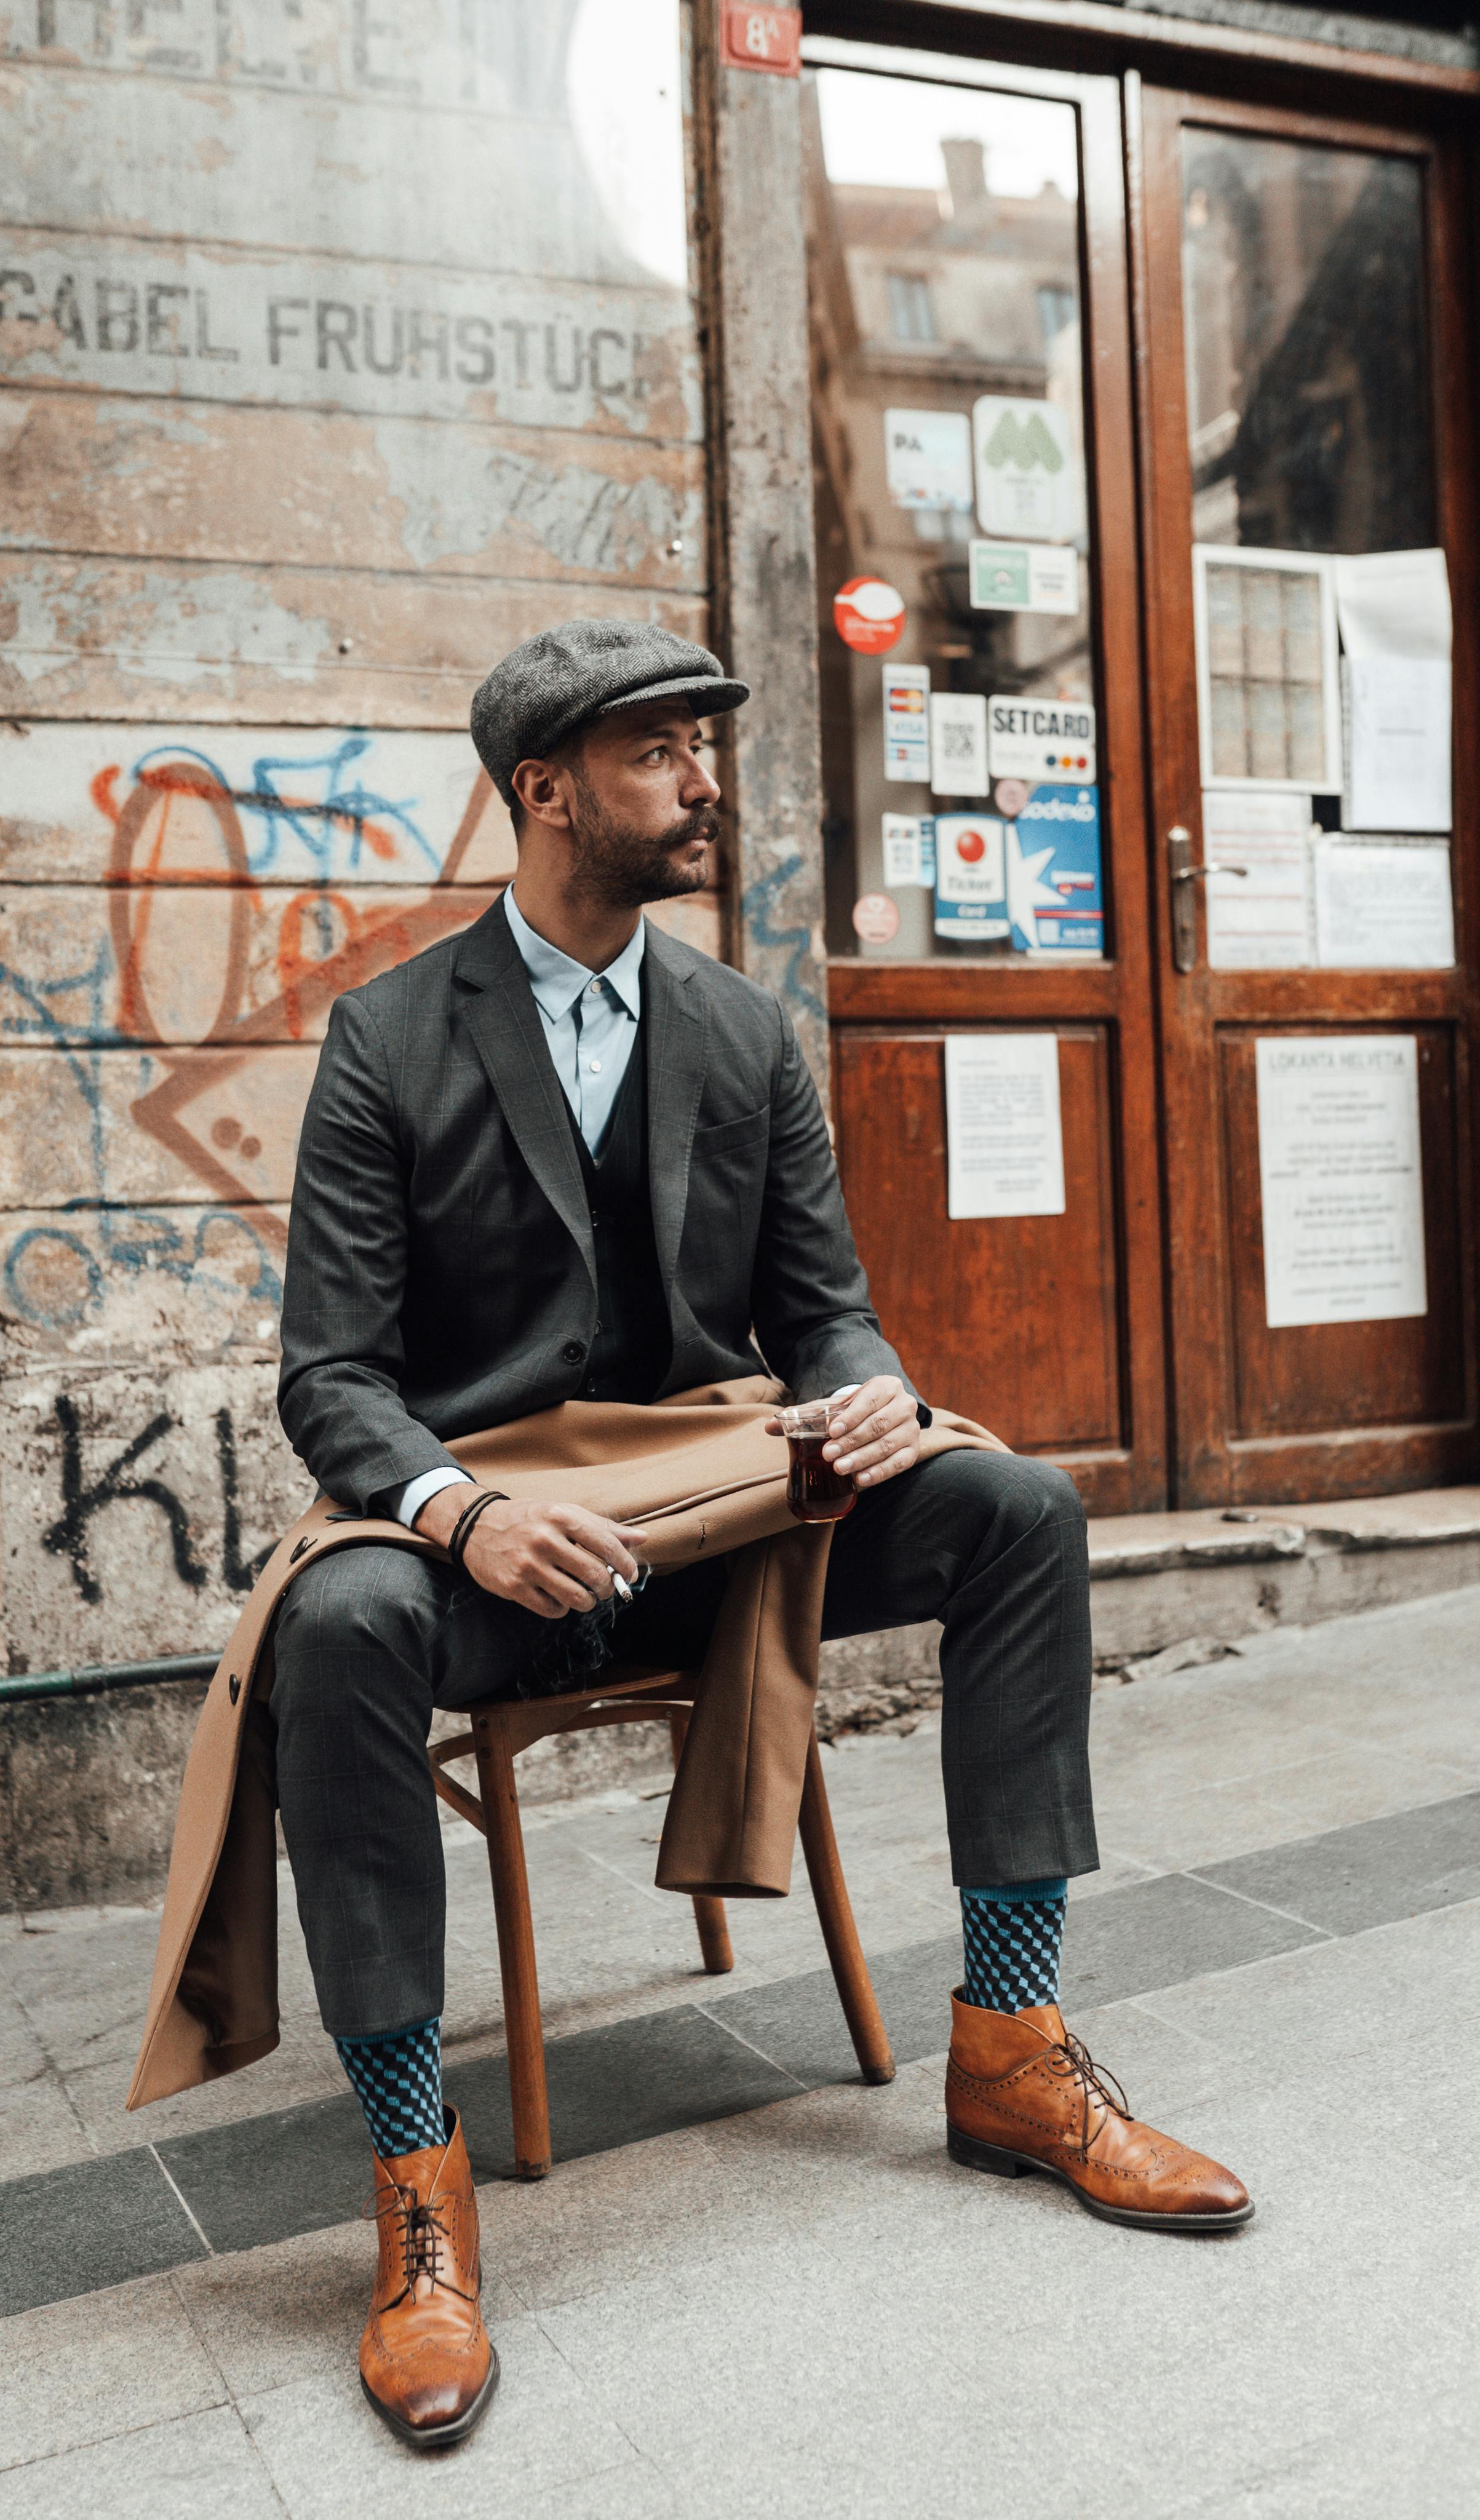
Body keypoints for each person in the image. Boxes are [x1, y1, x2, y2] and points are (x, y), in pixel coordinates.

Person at [274, 619, 1251, 2451]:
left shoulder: (737, 1026)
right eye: (660, 753)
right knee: (335, 1632)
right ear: (545, 790)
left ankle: (1015, 2050)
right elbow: (330, 1376)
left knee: (1017, 1506)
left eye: (701, 750)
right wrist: (460, 1515)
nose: (704, 782)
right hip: (505, 1555)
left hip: (725, 1528)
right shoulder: (390, 1035)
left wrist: (871, 1384)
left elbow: (828, 1307)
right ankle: (417, 2179)